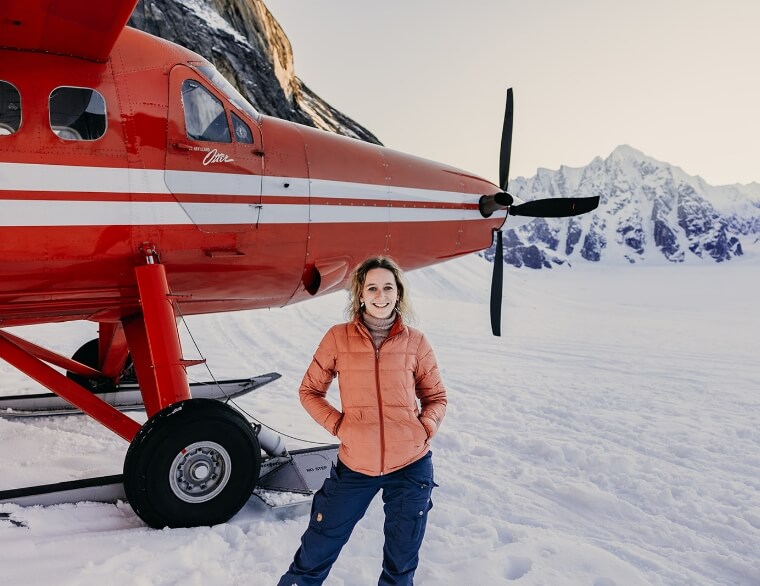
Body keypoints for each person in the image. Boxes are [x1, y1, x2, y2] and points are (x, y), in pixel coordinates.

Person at [278, 256, 447, 586]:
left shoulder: (416, 342)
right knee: (316, 549)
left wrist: (424, 427)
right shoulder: (338, 338)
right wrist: (341, 427)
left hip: (411, 466)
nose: (380, 295)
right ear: (360, 294)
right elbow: (310, 390)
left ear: (398, 293)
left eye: (387, 287)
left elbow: (436, 397)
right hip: (354, 465)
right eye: (372, 288)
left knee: (401, 563)